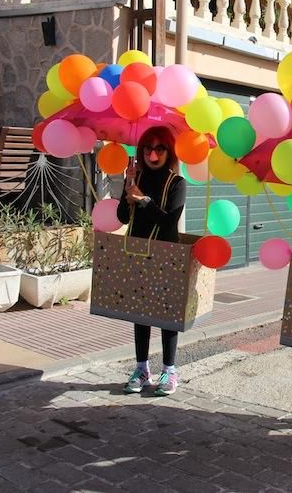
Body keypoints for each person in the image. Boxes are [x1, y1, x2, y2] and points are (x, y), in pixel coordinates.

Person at [116, 126, 187, 396]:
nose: (152, 153)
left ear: (168, 152)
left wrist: (144, 200)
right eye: (147, 148)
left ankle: (169, 370)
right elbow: (123, 217)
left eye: (159, 148)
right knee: (140, 312)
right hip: (136, 251)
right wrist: (128, 191)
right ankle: (142, 368)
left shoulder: (177, 183)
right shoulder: (136, 178)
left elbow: (170, 222)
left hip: (166, 252)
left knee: (167, 313)